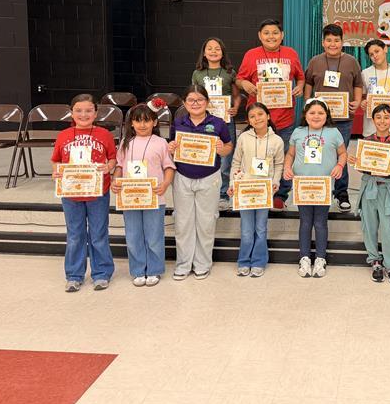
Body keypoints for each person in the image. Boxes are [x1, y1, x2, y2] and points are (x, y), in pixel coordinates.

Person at [236, 19, 305, 211]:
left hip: (284, 118)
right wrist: (245, 85)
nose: (271, 36)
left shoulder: (291, 53)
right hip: (258, 120)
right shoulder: (251, 55)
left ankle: (280, 195)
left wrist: (299, 87)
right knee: (256, 156)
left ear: (282, 35)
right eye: (266, 33)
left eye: (275, 32)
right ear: (260, 36)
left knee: (283, 159)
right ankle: (258, 190)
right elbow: (239, 79)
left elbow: (300, 77)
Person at [51, 94, 117, 292]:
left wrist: (108, 167)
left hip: (98, 192)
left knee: (98, 234)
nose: (84, 114)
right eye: (79, 110)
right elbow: (56, 160)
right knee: (75, 235)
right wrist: (56, 172)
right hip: (71, 194)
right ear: (71, 113)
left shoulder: (105, 134)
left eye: (89, 110)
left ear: (96, 113)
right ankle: (74, 274)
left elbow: (113, 159)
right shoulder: (63, 135)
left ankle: (102, 273)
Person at [168, 85, 233, 281]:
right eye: (191, 100)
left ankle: (203, 264)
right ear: (184, 103)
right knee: (183, 223)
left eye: (199, 100)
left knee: (206, 223)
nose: (195, 104)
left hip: (209, 177)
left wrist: (222, 149)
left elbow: (228, 147)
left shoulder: (218, 123)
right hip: (183, 177)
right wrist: (171, 147)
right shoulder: (178, 123)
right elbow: (172, 146)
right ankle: (183, 264)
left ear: (207, 102)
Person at [112, 101, 175, 287]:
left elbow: (169, 167)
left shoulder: (161, 143)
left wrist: (165, 184)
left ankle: (154, 269)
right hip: (130, 197)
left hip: (154, 196)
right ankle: (138, 269)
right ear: (131, 123)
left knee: (154, 234)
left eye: (147, 121)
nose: (142, 125)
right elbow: (119, 166)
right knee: (133, 235)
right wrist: (115, 180)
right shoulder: (125, 143)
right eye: (138, 121)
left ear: (155, 122)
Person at [283, 99, 347, 278]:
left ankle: (320, 257)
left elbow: (342, 153)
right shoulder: (298, 131)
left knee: (320, 222)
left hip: (323, 185)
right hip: (303, 184)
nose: (316, 116)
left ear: (327, 115)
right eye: (312, 113)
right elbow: (290, 154)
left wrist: (340, 166)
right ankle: (304, 257)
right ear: (305, 115)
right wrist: (287, 167)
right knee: (304, 222)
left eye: (320, 113)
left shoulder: (334, 132)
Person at [304, 24, 362, 212]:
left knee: (340, 155)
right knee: (317, 153)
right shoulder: (315, 61)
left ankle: (341, 192)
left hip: (343, 120)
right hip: (318, 119)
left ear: (342, 42)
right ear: (323, 42)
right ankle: (319, 189)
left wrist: (358, 101)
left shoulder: (351, 61)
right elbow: (308, 84)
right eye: (329, 40)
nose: (333, 44)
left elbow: (358, 84)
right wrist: (307, 104)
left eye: (336, 40)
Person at [349, 104, 390, 284]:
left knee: (389, 229)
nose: (382, 121)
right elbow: (364, 167)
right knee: (369, 226)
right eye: (378, 117)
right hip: (369, 187)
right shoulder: (366, 141)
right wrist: (356, 162)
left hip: (386, 188)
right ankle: (375, 261)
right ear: (372, 120)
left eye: (386, 117)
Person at [229, 102, 284, 278]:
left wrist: (275, 182)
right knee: (246, 229)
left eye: (260, 114)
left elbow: (279, 164)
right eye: (252, 116)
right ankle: (244, 261)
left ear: (268, 116)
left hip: (264, 191)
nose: (257, 118)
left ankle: (259, 261)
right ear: (248, 121)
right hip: (245, 189)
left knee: (260, 228)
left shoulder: (277, 140)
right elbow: (236, 162)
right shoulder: (244, 138)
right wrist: (232, 183)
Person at [191, 37, 241, 208]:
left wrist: (235, 108)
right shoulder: (197, 73)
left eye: (217, 49)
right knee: (206, 154)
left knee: (226, 157)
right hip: (203, 121)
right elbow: (194, 97)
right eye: (210, 48)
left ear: (222, 52)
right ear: (204, 53)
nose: (213, 51)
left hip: (225, 120)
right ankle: (206, 191)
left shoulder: (229, 72)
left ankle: (223, 194)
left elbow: (236, 96)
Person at [360, 38, 390, 138]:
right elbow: (362, 96)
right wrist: (363, 103)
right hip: (371, 128)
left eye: (377, 51)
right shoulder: (365, 73)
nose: (375, 56)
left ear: (385, 49)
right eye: (371, 54)